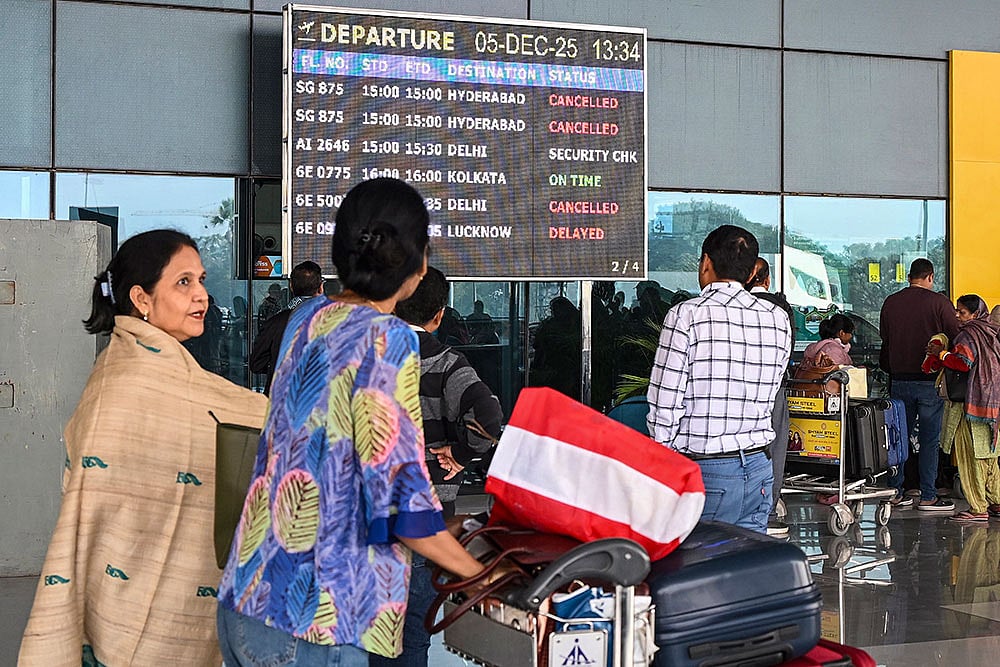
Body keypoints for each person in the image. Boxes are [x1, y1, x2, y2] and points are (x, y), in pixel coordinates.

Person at [216, 179, 489, 666]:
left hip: (248, 594)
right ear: (418, 264)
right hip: (317, 617)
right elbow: (402, 506)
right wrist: (485, 577)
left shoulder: (309, 319)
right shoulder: (389, 340)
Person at [19, 230, 268, 666]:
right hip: (132, 609)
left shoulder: (156, 373)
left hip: (131, 603)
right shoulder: (131, 382)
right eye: (184, 282)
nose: (202, 296)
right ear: (142, 298)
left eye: (203, 280)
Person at [377, 266, 504, 667]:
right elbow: (489, 417)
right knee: (412, 639)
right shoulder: (448, 365)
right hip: (430, 522)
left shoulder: (366, 356)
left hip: (370, 521)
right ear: (439, 315)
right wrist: (462, 454)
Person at [647, 225, 791, 533]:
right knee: (743, 573)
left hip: (705, 471)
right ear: (753, 271)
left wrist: (662, 470)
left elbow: (665, 404)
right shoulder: (777, 319)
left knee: (696, 573)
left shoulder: (686, 315)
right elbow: (771, 392)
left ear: (705, 263)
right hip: (758, 469)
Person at [880, 258, 959, 511]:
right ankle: (928, 495)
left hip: (899, 381)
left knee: (897, 438)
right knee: (929, 439)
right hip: (928, 383)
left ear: (909, 276)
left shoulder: (891, 302)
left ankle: (895, 491)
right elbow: (955, 337)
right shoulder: (939, 303)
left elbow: (885, 337)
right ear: (931, 277)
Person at [923, 295, 1000, 522]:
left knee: (970, 459)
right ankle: (996, 502)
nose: (957, 315)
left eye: (962, 312)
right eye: (957, 311)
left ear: (975, 314)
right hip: (991, 406)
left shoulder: (969, 334)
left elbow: (963, 363)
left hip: (971, 406)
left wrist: (943, 354)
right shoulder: (991, 332)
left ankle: (978, 509)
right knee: (990, 459)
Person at [745, 257, 795, 537]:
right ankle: (768, 508)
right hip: (772, 386)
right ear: (766, 279)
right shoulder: (780, 308)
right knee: (773, 446)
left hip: (737, 388)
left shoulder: (732, 306)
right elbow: (786, 352)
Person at [248, 260, 323, 394]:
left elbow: (256, 364)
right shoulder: (336, 321)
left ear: (291, 287)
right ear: (320, 288)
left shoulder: (275, 322)